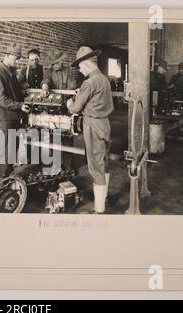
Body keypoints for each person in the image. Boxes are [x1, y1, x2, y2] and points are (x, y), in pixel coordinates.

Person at [66, 46, 114, 214]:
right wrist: (84, 93)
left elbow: (75, 108)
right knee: (104, 162)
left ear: (87, 64)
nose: (79, 70)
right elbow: (96, 96)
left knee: (95, 165)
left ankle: (99, 210)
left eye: (80, 66)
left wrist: (69, 104)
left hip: (93, 125)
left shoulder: (88, 83)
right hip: (105, 124)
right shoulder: (103, 79)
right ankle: (105, 197)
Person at [0, 43, 31, 178]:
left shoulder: (11, 72)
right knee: (5, 151)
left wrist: (24, 90)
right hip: (4, 118)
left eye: (19, 58)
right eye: (16, 58)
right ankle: (1, 179)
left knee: (13, 149)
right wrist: (19, 106)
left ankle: (7, 175)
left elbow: (14, 92)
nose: (17, 61)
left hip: (13, 117)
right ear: (7, 56)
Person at [41, 49, 77, 171]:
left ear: (61, 61)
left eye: (56, 63)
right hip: (53, 110)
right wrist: (45, 86)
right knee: (53, 137)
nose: (54, 66)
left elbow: (72, 85)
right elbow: (46, 80)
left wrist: (64, 97)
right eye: (52, 64)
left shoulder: (70, 71)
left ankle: (68, 167)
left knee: (67, 137)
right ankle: (55, 165)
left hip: (66, 108)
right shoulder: (48, 72)